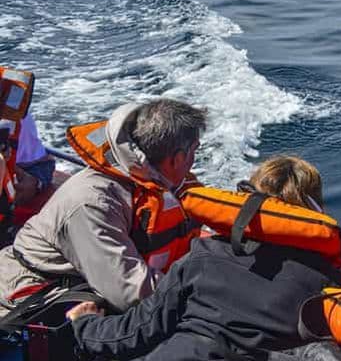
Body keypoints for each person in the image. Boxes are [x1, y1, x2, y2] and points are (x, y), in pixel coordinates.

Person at [65, 155, 341, 361]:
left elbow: (138, 332)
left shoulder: (204, 254)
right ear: (314, 210)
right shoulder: (325, 284)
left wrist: (85, 324)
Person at [0, 99, 207, 317]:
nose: (193, 159)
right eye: (195, 150)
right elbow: (131, 293)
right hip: (33, 292)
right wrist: (206, 296)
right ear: (177, 159)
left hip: (92, 281)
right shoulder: (93, 203)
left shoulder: (159, 183)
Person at [11, 113, 56, 204]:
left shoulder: (11, 114)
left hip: (34, 166)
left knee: (22, 193)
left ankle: (37, 183)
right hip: (13, 165)